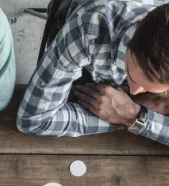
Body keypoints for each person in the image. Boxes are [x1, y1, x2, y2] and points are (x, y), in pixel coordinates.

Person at [17, 0, 169, 147]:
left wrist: (134, 116)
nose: (133, 92)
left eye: (148, 87)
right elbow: (33, 121)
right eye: (133, 77)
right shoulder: (88, 30)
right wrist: (122, 117)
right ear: (137, 27)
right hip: (84, 35)